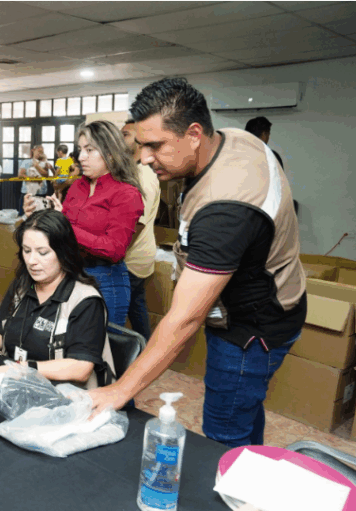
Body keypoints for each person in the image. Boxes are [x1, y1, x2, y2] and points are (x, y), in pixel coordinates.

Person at [89, 78, 306, 448]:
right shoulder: (233, 139)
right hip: (272, 303)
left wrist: (119, 390)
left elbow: (184, 319)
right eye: (140, 144)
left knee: (224, 428)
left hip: (251, 330)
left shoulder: (227, 209)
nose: (143, 157)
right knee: (245, 406)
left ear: (194, 134)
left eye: (155, 145)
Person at [0, 210, 114, 391]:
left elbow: (81, 368)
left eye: (43, 252)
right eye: (27, 251)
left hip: (64, 397)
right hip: (17, 386)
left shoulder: (85, 301)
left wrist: (19, 369)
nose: (32, 261)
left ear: (63, 252)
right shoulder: (21, 286)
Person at [25, 121, 144, 327]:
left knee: (102, 353)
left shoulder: (126, 193)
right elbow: (61, 235)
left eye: (90, 150)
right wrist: (38, 218)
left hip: (105, 281)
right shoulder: (78, 186)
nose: (80, 157)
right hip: (69, 274)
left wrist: (66, 227)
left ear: (110, 152)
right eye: (81, 149)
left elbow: (114, 249)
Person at [121, 121, 161, 340]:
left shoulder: (144, 175)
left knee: (116, 311)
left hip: (132, 258)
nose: (119, 139)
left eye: (125, 134)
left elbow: (138, 223)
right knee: (136, 308)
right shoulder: (132, 170)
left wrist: (114, 250)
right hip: (133, 256)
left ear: (139, 139)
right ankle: (142, 352)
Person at [18, 145, 53, 214]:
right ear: (33, 151)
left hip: (41, 192)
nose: (40, 154)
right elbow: (20, 175)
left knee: (40, 214)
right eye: (39, 151)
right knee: (25, 213)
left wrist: (37, 166)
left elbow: (46, 175)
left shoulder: (44, 163)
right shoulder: (26, 162)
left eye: (42, 152)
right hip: (27, 191)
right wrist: (33, 179)